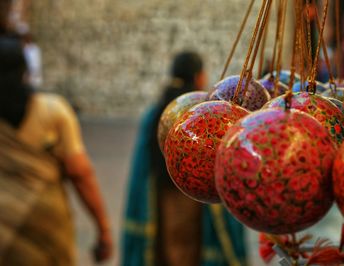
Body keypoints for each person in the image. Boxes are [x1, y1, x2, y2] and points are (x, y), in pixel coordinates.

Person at [122, 51, 248, 266]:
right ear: (199, 76)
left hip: (160, 195)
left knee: (166, 248)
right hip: (195, 197)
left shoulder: (156, 111)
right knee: (189, 250)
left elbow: (143, 164)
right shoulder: (200, 112)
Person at [0, 37, 113, 265]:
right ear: (25, 70)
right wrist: (103, 228)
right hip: (47, 225)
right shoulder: (52, 110)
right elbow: (81, 174)